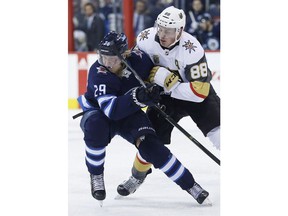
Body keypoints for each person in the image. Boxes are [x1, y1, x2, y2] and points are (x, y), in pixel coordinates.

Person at [76, 31, 210, 205]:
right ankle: (96, 174)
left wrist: (156, 91)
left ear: (125, 55)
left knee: (151, 147)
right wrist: (138, 97)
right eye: (103, 57)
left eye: (113, 59)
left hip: (129, 113)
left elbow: (153, 80)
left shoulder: (140, 60)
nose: (107, 63)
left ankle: (190, 185)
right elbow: (112, 111)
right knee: (95, 127)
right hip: (100, 113)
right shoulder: (98, 72)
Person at [117, 6, 220, 197]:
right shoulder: (146, 39)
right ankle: (137, 176)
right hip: (164, 97)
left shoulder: (192, 48)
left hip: (194, 95)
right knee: (149, 141)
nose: (163, 34)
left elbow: (200, 92)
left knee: (220, 132)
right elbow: (136, 71)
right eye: (161, 28)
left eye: (169, 31)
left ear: (180, 31)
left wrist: (169, 84)